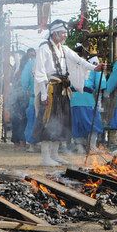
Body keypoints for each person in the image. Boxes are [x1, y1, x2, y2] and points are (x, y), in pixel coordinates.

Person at [33, 20, 103, 166]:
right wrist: (44, 94)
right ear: (55, 33)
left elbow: (78, 61)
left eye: (65, 33)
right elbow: (40, 72)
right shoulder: (43, 48)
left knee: (61, 121)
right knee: (48, 121)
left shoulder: (64, 49)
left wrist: (94, 68)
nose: (65, 36)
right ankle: (46, 157)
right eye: (63, 33)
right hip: (50, 89)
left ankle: (55, 154)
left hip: (63, 89)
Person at [70, 55, 106, 154]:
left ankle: (79, 147)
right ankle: (92, 146)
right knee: (94, 123)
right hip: (87, 99)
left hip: (73, 99)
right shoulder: (94, 67)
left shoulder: (74, 67)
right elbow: (101, 84)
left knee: (77, 123)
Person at [10, 51, 35, 146]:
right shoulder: (22, 68)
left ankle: (21, 141)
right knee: (20, 119)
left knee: (22, 119)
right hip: (21, 97)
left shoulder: (20, 68)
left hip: (23, 96)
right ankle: (20, 141)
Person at [21, 48, 37, 150]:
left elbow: (24, 80)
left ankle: (32, 145)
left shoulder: (29, 64)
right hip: (49, 98)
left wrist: (25, 89)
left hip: (34, 98)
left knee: (32, 121)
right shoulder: (48, 62)